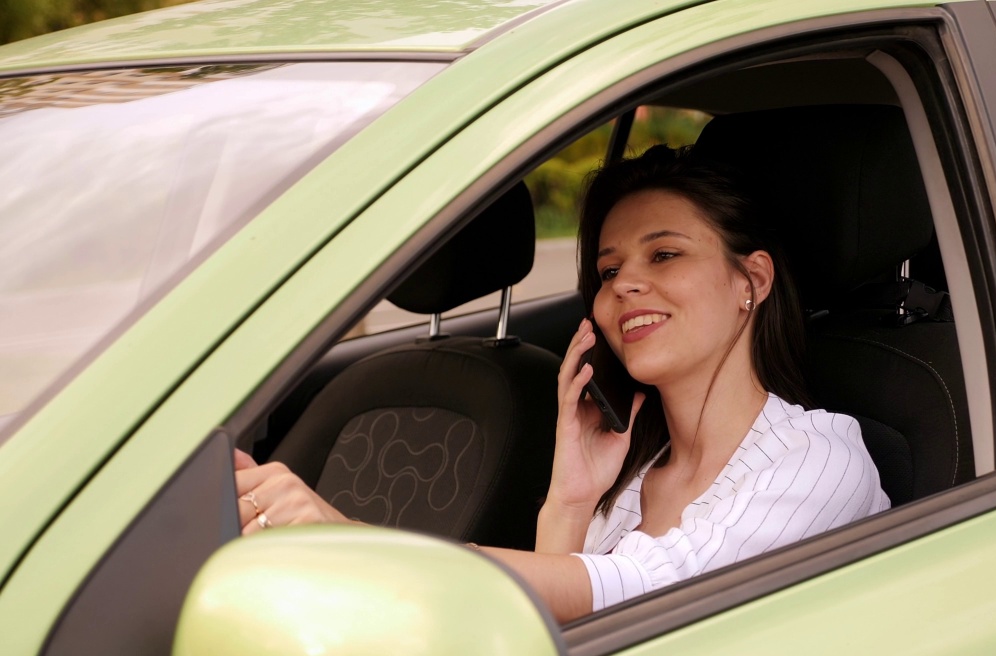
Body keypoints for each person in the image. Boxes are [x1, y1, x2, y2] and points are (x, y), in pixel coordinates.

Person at [233, 145, 890, 622]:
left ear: (753, 281)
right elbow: (558, 638)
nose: (626, 283)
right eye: (608, 271)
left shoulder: (817, 455)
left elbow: (650, 591)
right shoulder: (636, 475)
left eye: (664, 254)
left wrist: (352, 541)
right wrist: (571, 502)